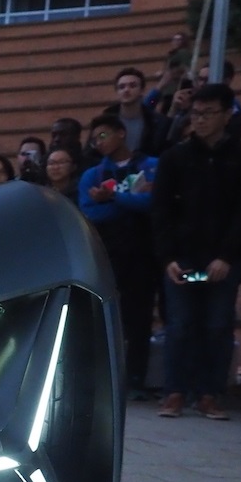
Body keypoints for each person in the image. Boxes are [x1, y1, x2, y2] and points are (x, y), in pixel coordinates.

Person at [150, 83, 241, 420]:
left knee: (217, 324)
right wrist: (168, 258)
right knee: (180, 324)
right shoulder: (175, 158)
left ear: (227, 115)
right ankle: (174, 391)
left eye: (208, 113)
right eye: (195, 113)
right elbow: (161, 211)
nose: (199, 120)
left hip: (224, 261)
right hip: (183, 259)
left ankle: (209, 393)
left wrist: (226, 256)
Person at [78, 114, 160, 400]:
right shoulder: (94, 174)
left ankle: (136, 380)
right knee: (107, 318)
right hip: (109, 254)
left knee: (140, 319)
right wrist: (131, 201)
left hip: (144, 254)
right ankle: (105, 381)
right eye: (94, 139)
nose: (98, 143)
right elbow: (91, 212)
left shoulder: (151, 166)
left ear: (121, 133)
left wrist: (113, 197)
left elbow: (154, 203)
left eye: (103, 135)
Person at [103, 67, 171, 157]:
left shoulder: (158, 123)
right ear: (117, 92)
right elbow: (93, 152)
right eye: (122, 87)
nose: (126, 90)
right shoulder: (105, 121)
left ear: (142, 91)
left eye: (132, 86)